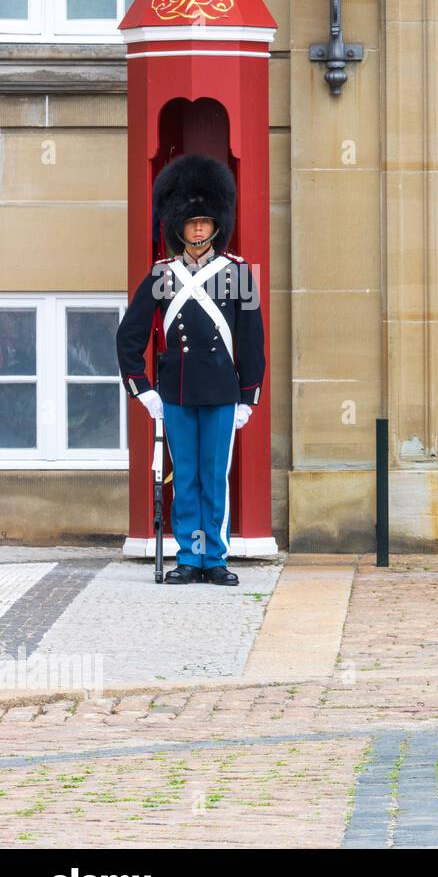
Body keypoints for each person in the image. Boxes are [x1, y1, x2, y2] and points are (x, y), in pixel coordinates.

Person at [116, 154, 264, 587]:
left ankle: (215, 558)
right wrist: (142, 389)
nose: (198, 229)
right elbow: (130, 335)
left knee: (215, 477)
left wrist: (248, 396)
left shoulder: (239, 274)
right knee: (186, 479)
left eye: (204, 221)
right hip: (177, 393)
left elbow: (252, 340)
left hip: (221, 393)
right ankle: (189, 556)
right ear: (177, 225)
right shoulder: (162, 275)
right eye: (191, 222)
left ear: (217, 223)